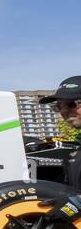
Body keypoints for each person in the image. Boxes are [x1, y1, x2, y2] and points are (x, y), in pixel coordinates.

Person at [38, 75, 81, 208]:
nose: (64, 111)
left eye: (71, 104)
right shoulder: (75, 153)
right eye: (58, 106)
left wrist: (73, 207)